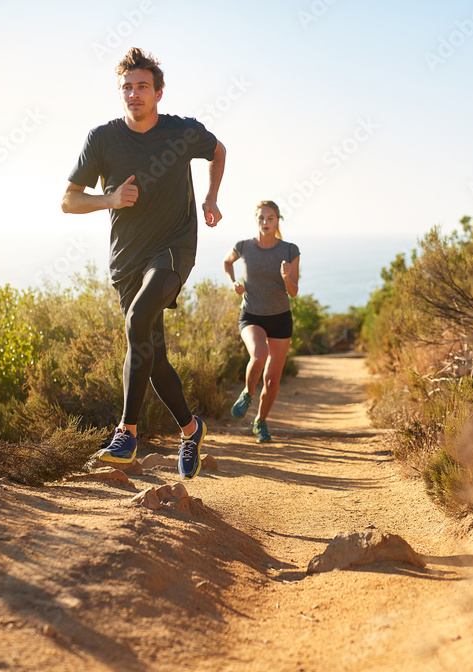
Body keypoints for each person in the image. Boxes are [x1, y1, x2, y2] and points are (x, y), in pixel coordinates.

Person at [61, 47, 226, 479]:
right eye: (127, 88)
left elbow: (218, 150)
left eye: (142, 87)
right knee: (151, 359)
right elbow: (68, 200)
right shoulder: (102, 138)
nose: (134, 94)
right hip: (126, 261)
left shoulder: (182, 132)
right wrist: (109, 199)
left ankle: (126, 433)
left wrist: (210, 198)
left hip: (173, 249)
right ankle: (191, 430)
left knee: (137, 323)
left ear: (159, 92)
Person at [222, 200, 299, 443]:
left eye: (270, 218)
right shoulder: (243, 246)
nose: (265, 223)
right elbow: (227, 262)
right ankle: (247, 393)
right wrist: (233, 282)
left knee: (272, 379)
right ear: (256, 221)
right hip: (252, 314)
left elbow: (294, 291)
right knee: (259, 354)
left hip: (280, 318)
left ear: (278, 221)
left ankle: (260, 422)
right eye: (261, 218)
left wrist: (286, 277)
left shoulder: (289, 250)